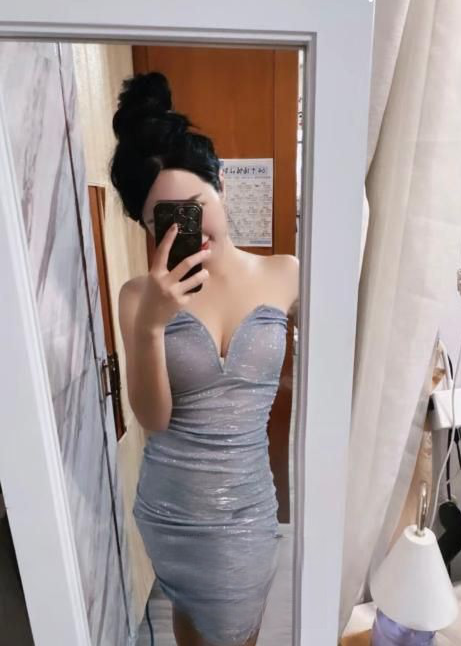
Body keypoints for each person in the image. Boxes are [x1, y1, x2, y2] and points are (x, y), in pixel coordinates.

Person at [110, 71, 299, 646]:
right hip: (171, 509)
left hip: (249, 503)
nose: (184, 230)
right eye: (162, 222)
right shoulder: (138, 297)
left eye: (193, 209)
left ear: (220, 186)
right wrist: (152, 325)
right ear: (146, 227)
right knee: (188, 620)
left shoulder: (285, 274)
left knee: (242, 628)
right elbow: (154, 419)